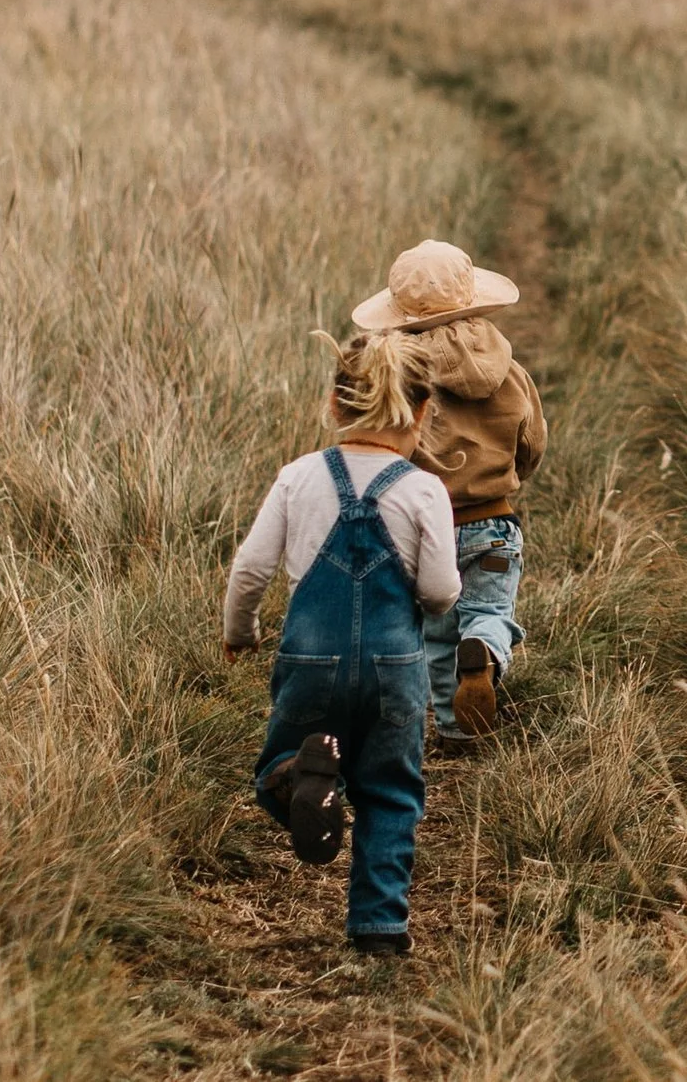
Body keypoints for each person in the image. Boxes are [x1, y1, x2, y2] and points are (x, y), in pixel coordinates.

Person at [223, 328, 458, 957]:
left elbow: (249, 569)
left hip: (310, 662)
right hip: (394, 670)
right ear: (423, 412)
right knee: (390, 790)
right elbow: (439, 591)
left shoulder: (299, 478)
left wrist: (239, 631)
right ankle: (380, 929)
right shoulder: (424, 490)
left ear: (334, 406)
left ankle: (297, 778)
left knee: (276, 764)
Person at [351, 239, 545, 750]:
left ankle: (456, 731)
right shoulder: (509, 371)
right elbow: (531, 439)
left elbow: (384, 450)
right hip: (493, 522)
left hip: (422, 527)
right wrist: (512, 474)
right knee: (489, 612)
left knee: (437, 633)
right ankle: (482, 648)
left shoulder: (401, 378)